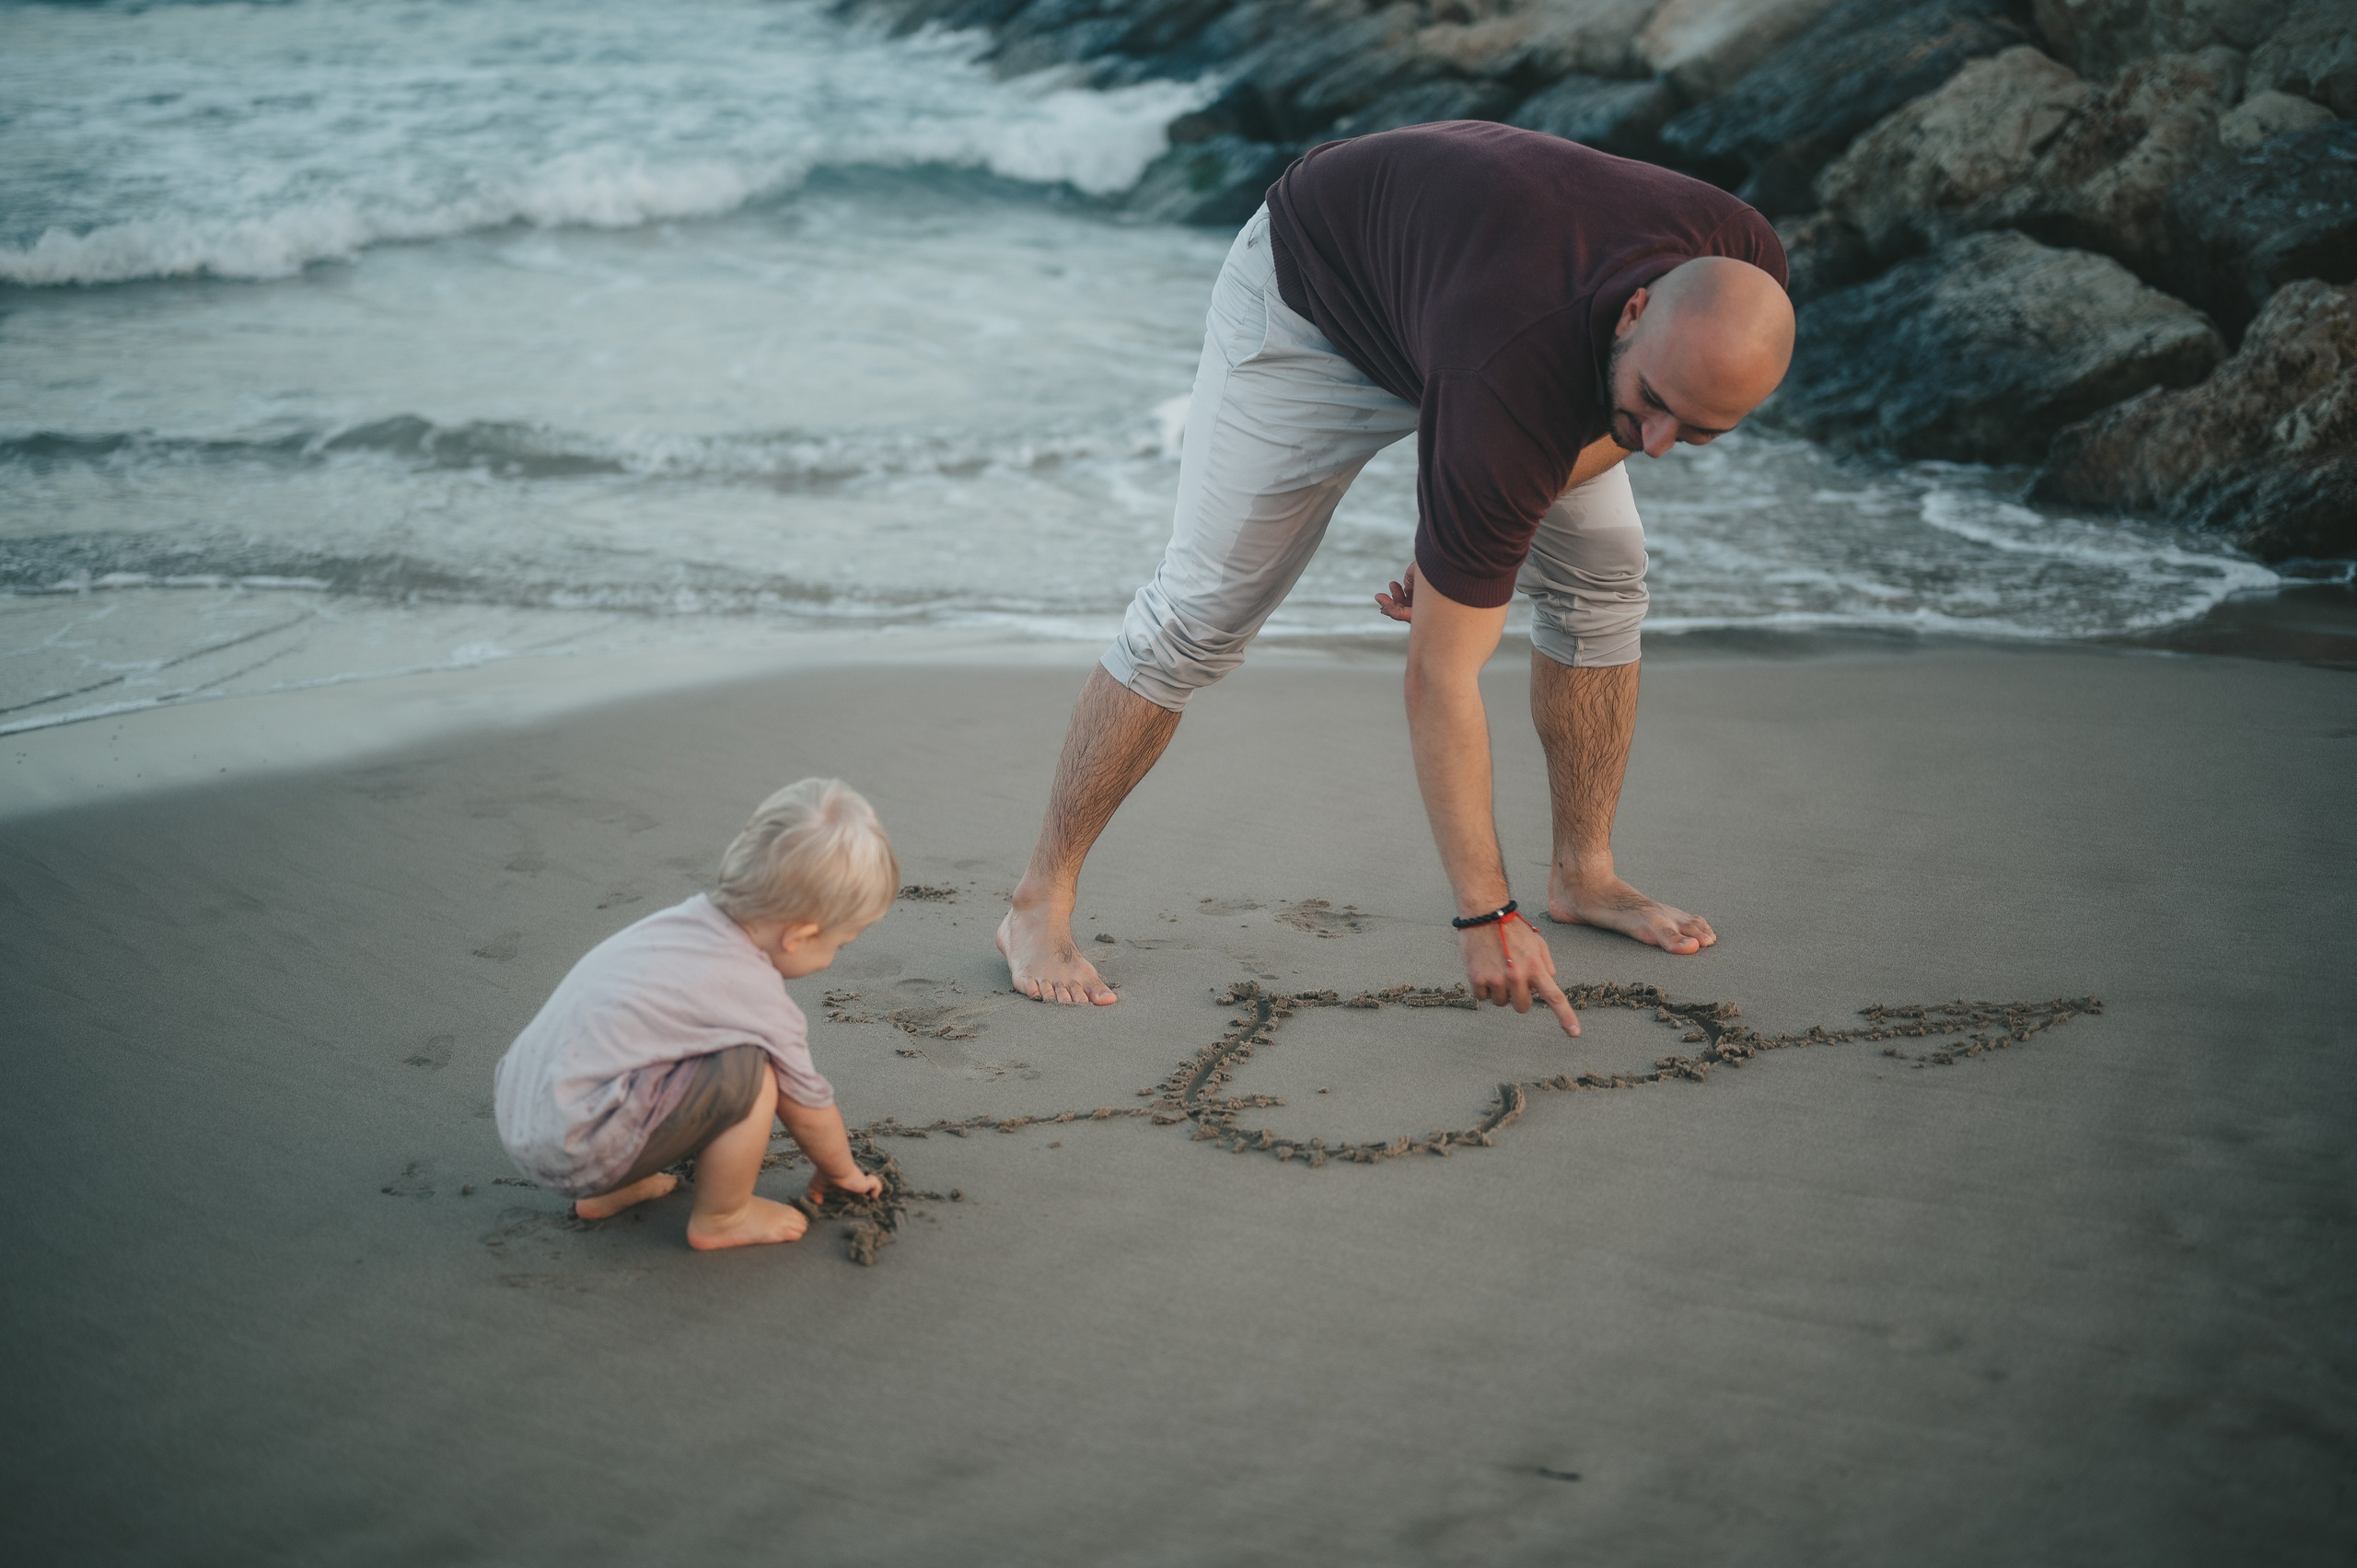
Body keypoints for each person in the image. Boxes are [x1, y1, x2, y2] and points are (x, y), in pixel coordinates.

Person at [995, 122, 1795, 1034]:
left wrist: (1474, 525)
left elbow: (1603, 432)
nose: (1655, 444)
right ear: (1634, 310)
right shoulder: (1510, 366)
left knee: (1605, 576)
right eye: (1653, 404)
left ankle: (1585, 874)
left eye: (1698, 431)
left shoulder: (1744, 269)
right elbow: (1437, 676)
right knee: (1198, 615)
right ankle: (1037, 901)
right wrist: (1485, 915)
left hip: (1467, 300)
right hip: (1316, 302)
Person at [494, 778, 895, 1251]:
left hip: (527, 1114)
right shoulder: (753, 993)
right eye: (839, 945)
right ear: (799, 936)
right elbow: (808, 1108)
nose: (833, 957)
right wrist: (841, 1171)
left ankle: (609, 1190)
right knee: (755, 1075)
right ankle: (723, 1217)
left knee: (670, 1057)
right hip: (577, 1148)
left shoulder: (674, 925)